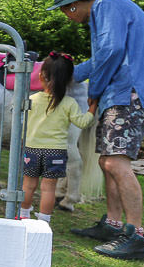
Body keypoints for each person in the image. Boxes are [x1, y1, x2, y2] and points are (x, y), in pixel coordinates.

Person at [49, 0, 144, 260]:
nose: (66, 16)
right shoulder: (105, 11)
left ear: (73, 5)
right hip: (121, 93)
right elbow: (103, 56)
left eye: (64, 10)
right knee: (106, 162)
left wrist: (95, 90)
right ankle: (113, 225)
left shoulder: (106, 6)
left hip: (131, 92)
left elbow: (111, 52)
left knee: (116, 162)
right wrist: (63, 75)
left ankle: (136, 236)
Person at [18, 51, 96, 224]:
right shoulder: (69, 103)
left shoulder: (32, 99)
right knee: (48, 189)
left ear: (40, 76)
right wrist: (92, 109)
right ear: (69, 80)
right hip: (56, 153)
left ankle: (23, 214)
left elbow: (21, 120)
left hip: (32, 150)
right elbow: (82, 123)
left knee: (28, 185)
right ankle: (44, 219)